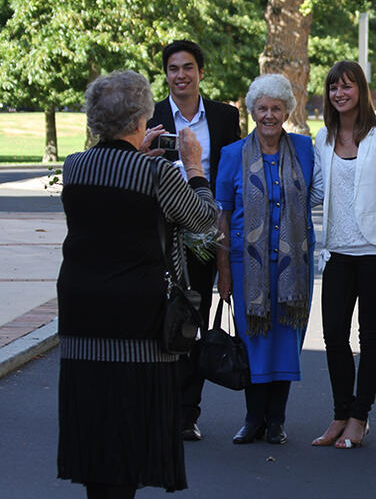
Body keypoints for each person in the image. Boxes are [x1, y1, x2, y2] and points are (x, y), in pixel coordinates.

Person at [57, 70, 218, 497]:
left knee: (93, 423)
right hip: (137, 317)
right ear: (141, 118)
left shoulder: (74, 167)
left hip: (82, 311)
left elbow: (111, 185)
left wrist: (135, 152)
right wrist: (195, 166)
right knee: (130, 425)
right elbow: (202, 219)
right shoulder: (156, 174)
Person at [310, 61, 376, 449]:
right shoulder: (323, 136)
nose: (339, 94)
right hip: (337, 249)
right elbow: (320, 191)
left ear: (361, 91)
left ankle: (359, 417)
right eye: (333, 88)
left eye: (347, 87)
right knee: (333, 334)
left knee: (369, 337)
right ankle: (339, 413)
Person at [146, 39, 241, 442]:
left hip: (203, 234)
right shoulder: (149, 116)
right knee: (156, 324)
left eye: (188, 67)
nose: (180, 75)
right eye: (173, 68)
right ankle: (157, 406)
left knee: (192, 325)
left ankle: (187, 414)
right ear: (165, 74)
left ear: (201, 72)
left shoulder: (224, 117)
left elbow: (232, 175)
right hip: (158, 235)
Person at [216, 74, 315, 446]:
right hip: (246, 267)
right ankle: (253, 419)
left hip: (293, 267)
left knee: (284, 340)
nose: (269, 115)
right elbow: (222, 216)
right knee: (253, 341)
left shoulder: (305, 149)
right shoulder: (232, 154)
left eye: (276, 108)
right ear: (252, 111)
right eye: (263, 108)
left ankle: (277, 421)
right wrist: (223, 271)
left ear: (287, 111)